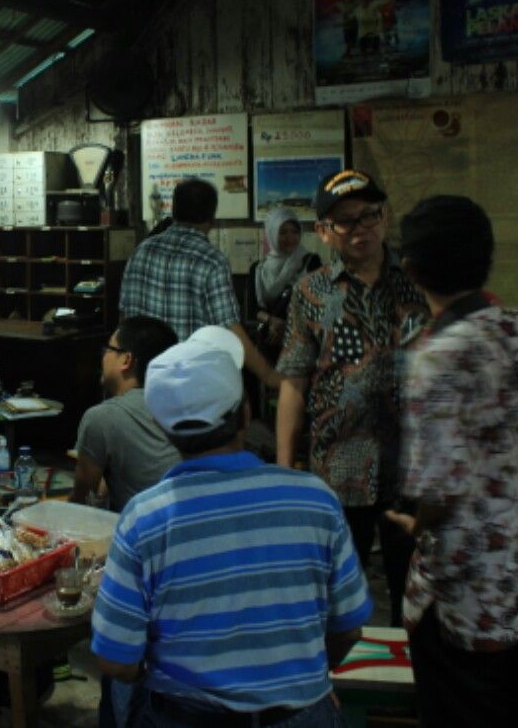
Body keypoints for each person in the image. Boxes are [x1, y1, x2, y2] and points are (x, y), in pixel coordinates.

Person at [91, 326, 372, 726]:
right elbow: (348, 630)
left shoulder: (143, 518)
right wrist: (304, 685)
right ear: (245, 413)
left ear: (164, 429)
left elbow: (114, 658)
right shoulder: (317, 499)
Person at [385, 196, 518, 727]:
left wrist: (410, 522)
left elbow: (438, 492)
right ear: (487, 255)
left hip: (473, 587)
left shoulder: (438, 355)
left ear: (412, 268)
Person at [276, 169, 428, 626]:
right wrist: (285, 472)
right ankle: (341, 679)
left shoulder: (417, 282)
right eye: (346, 220)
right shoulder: (311, 292)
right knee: (340, 590)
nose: (362, 227)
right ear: (324, 231)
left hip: (412, 464)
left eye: (370, 215)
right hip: (339, 467)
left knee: (414, 590)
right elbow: (293, 382)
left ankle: (410, 682)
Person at [120, 178, 279, 388]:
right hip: (187, 385)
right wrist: (270, 376)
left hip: (140, 380)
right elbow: (231, 332)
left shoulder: (142, 251)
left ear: (174, 211)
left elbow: (124, 319)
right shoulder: (211, 260)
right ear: (211, 218)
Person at [68, 315, 179, 514]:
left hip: (141, 534)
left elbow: (80, 500)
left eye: (108, 350)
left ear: (126, 360)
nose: (103, 356)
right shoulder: (186, 406)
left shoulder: (101, 417)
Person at [252, 207, 322, 362]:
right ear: (271, 233)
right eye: (282, 232)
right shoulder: (259, 269)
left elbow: (318, 304)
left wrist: (289, 324)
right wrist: (273, 321)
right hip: (269, 340)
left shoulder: (310, 261)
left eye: (294, 232)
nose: (290, 237)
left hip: (302, 340)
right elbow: (253, 309)